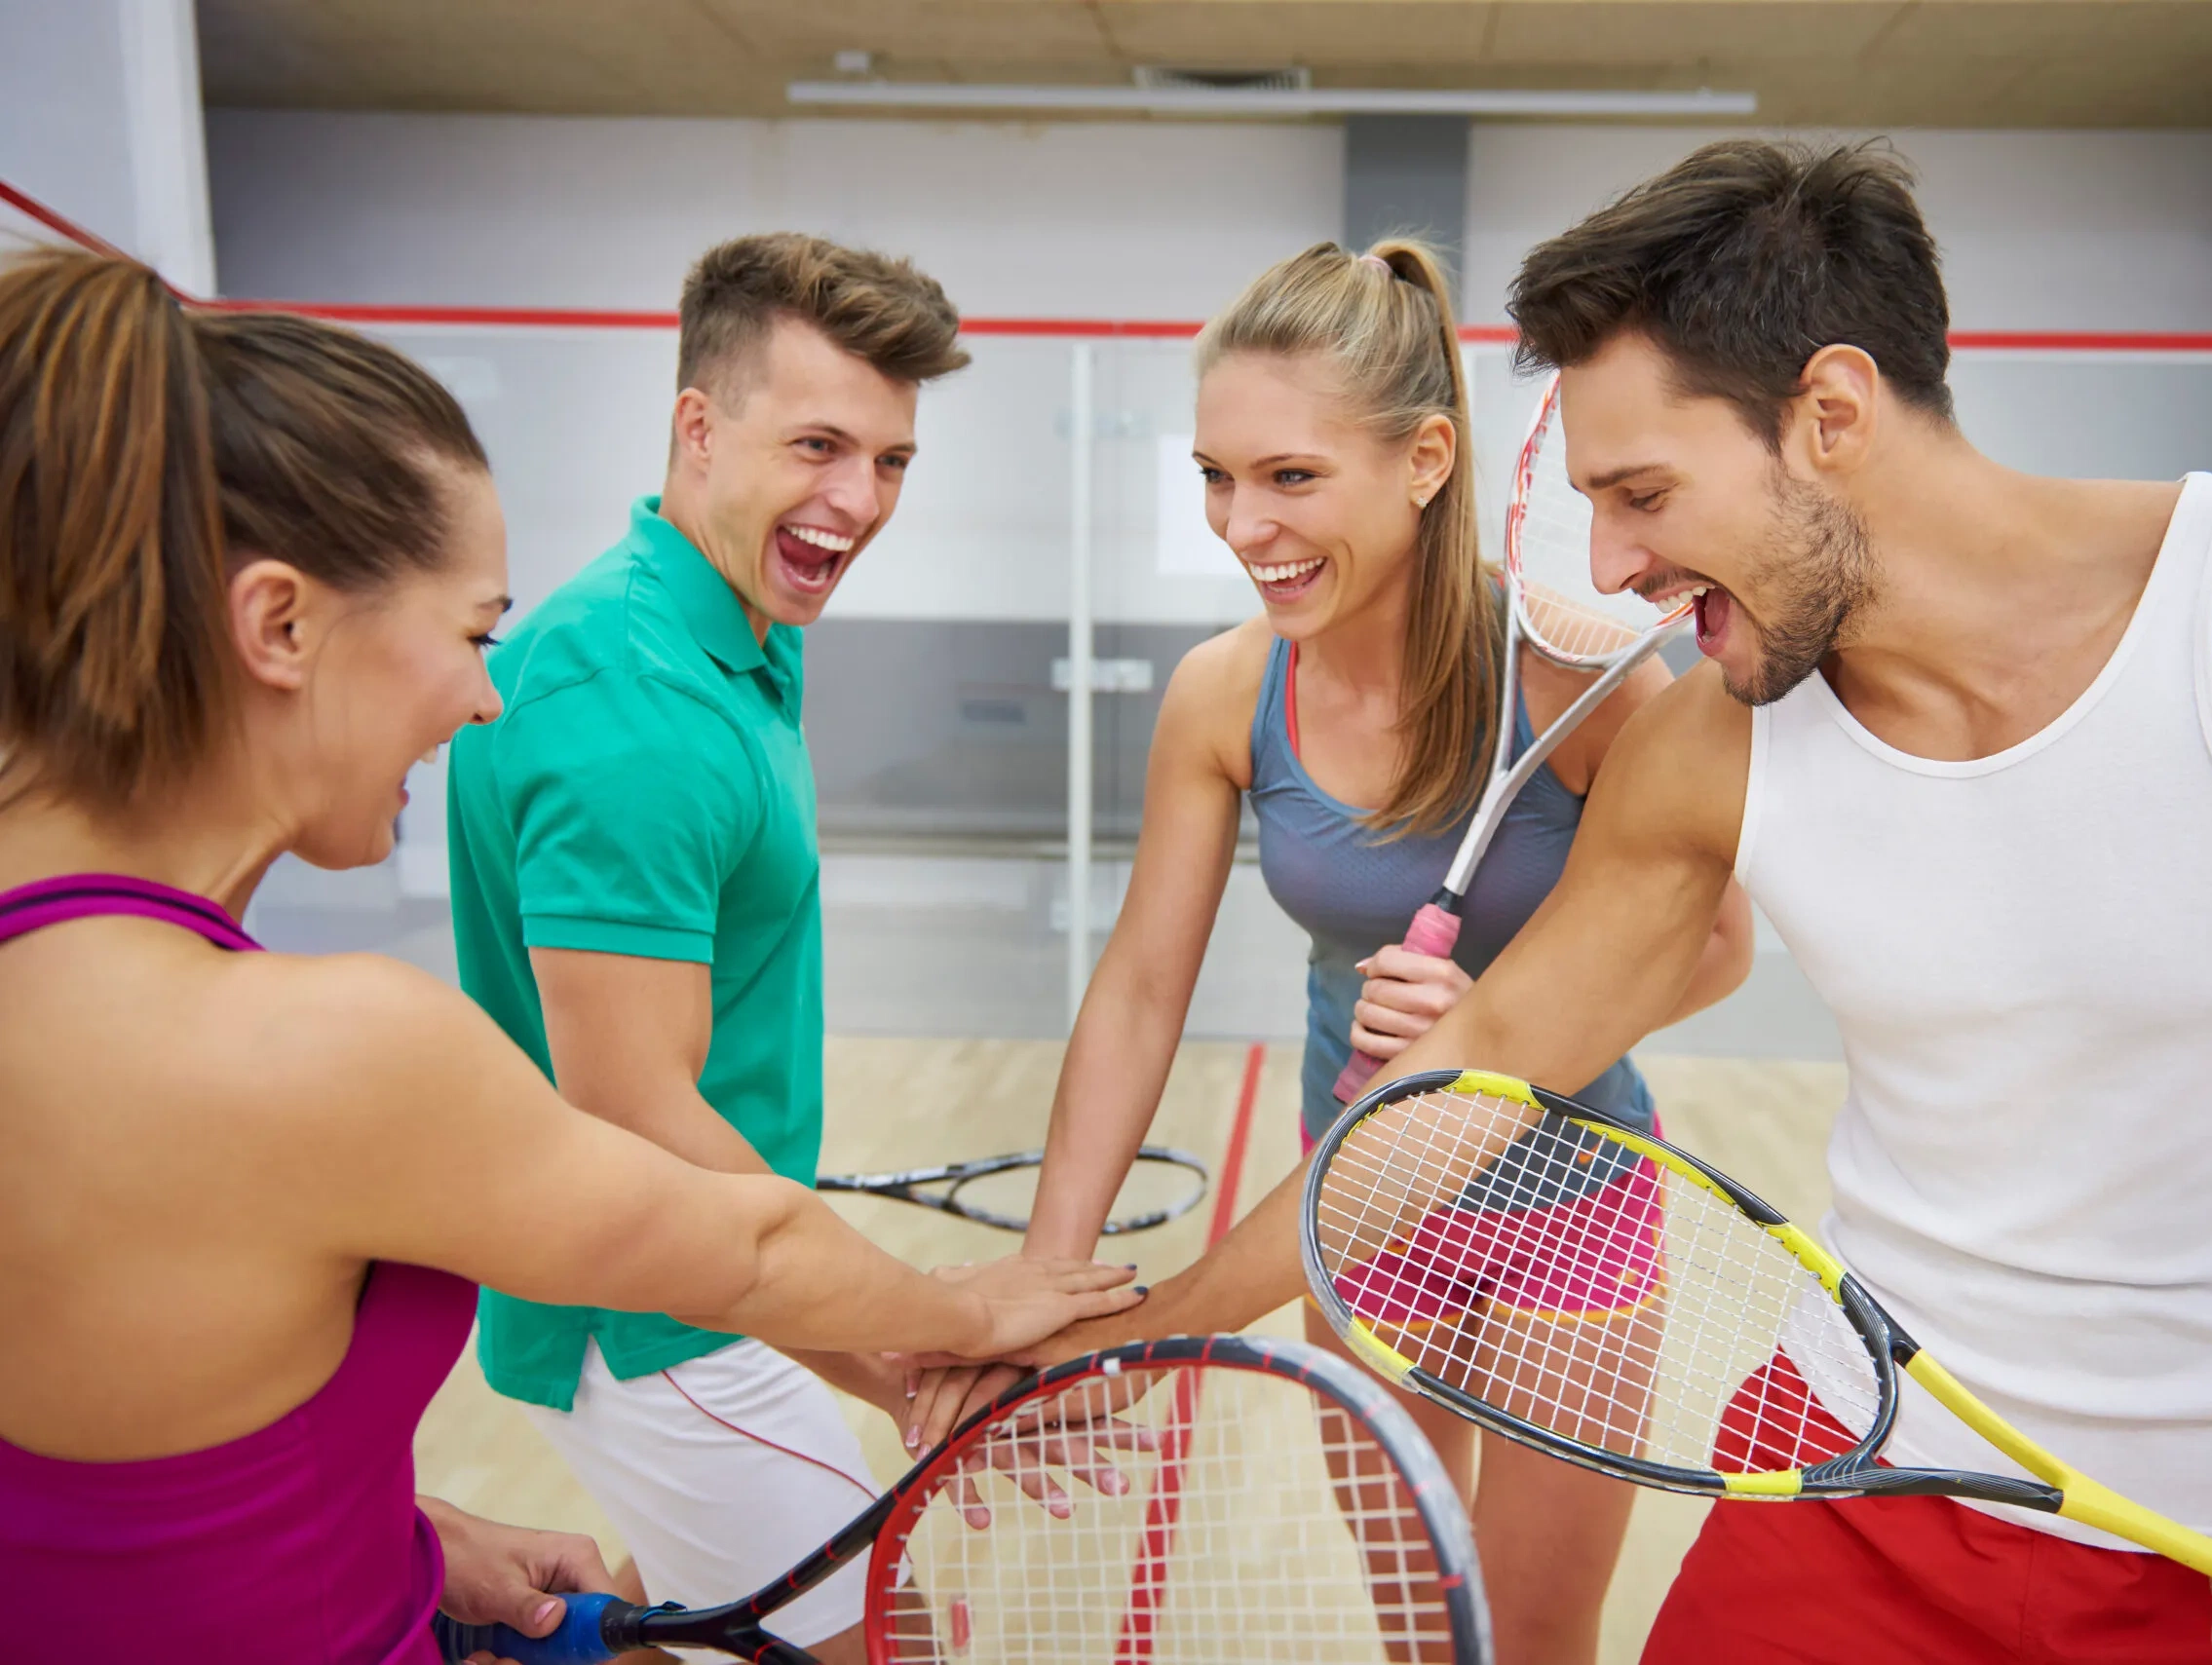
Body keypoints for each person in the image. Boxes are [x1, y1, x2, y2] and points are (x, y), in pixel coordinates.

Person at [957, 140, 2212, 1663]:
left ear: (1830, 414)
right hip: (1849, 1458)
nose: (1613, 566)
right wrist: (1150, 1329)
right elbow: (1471, 1074)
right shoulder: (1718, 739)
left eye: (1642, 495)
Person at [0, 248, 1139, 1665]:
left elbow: (137, 1460)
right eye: (472, 632)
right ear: (280, 626)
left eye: (887, 458)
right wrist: (958, 1321)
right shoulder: (347, 1020)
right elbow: (693, 1190)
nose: (489, 696)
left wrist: (414, 1543)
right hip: (663, 1324)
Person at [909, 238, 1752, 1665]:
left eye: (1291, 477)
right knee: (1422, 1632)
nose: (1245, 524)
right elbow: (1138, 991)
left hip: (1572, 1203)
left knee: (1535, 1643)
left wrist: (1513, 1018)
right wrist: (1045, 1284)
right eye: (1216, 477)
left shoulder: (1571, 673)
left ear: (1426, 459)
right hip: (1348, 1209)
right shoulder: (1225, 693)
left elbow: (1719, 948)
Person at [444, 232, 1004, 1663]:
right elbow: (633, 1105)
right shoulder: (630, 694)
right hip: (650, 1315)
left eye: (889, 461)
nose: (857, 500)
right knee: (890, 1639)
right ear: (698, 427)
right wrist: (889, 1331)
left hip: (713, 1265)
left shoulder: (738, 628)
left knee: (686, 1618)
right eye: (819, 444)